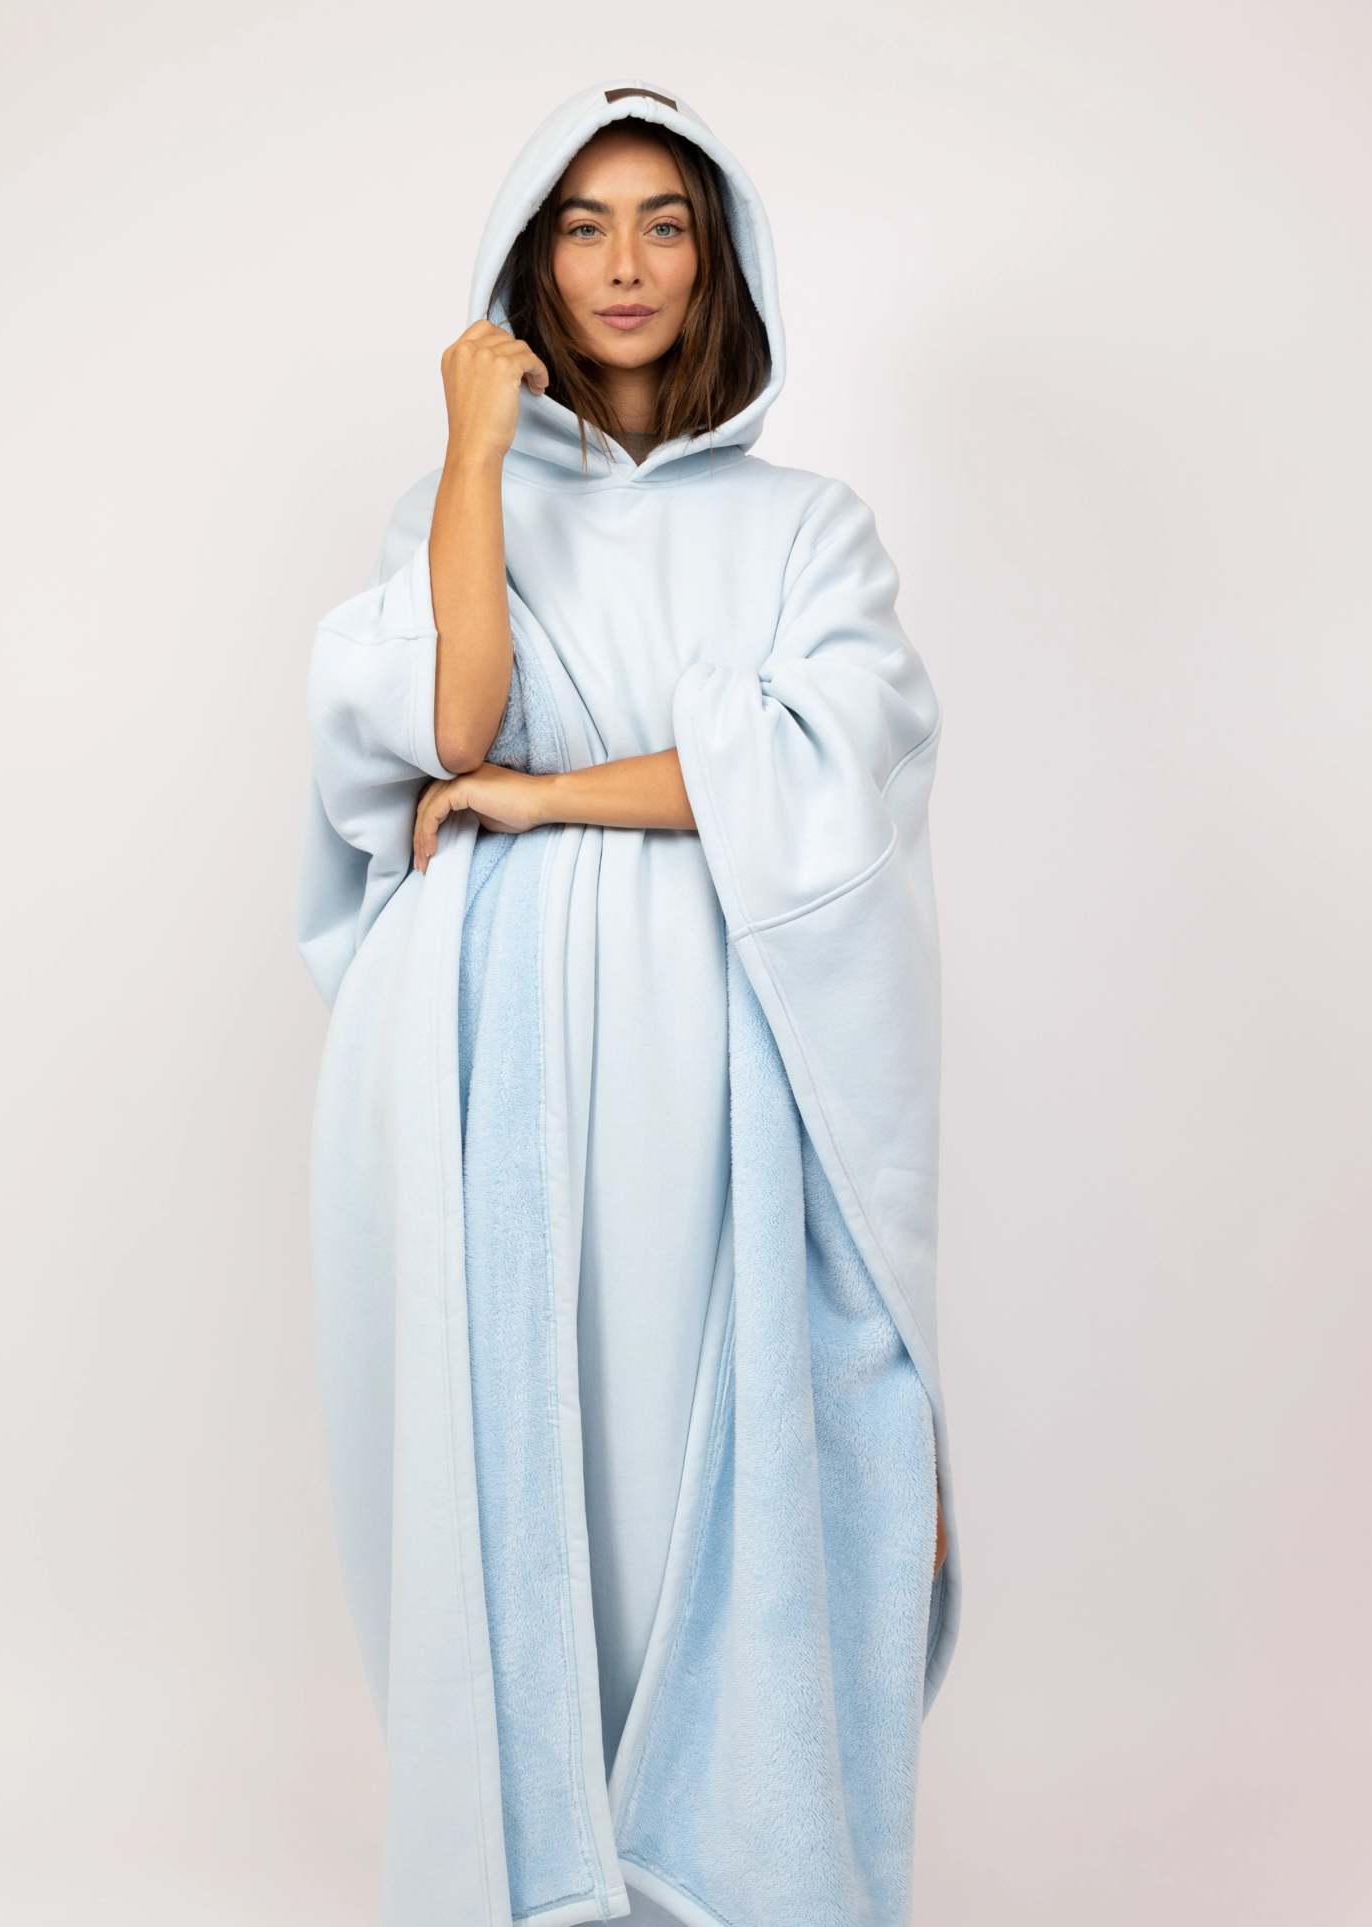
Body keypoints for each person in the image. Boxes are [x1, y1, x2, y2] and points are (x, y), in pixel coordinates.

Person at [297, 77, 960, 1927]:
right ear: (532, 262)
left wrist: (542, 797)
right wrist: (470, 455)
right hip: (491, 1053)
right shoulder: (459, 509)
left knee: (693, 1443)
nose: (624, 263)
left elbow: (822, 770)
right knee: (525, 1443)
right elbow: (447, 718)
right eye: (583, 225)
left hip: (729, 1044)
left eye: (664, 222)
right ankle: (539, 1870)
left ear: (713, 257)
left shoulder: (808, 527)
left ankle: (721, 1861)